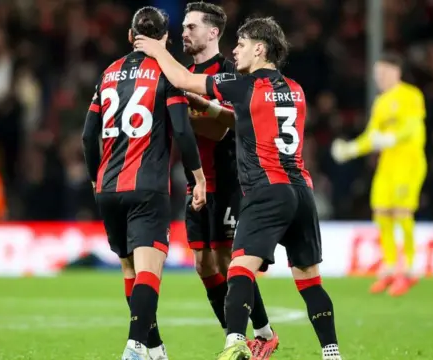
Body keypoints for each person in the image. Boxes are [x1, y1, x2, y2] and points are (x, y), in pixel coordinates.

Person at [134, 16, 342, 360]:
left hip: (267, 189)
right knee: (309, 280)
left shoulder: (242, 84)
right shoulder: (295, 89)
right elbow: (249, 119)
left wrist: (156, 49)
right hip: (302, 191)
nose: (236, 50)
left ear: (260, 49)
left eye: (242, 44)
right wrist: (211, 108)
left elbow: (183, 78)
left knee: (239, 268)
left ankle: (234, 342)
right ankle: (332, 353)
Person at [81, 6, 206, 360]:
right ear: (165, 37)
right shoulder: (166, 72)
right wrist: (198, 177)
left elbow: (88, 137)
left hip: (108, 187)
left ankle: (153, 346)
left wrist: (95, 177)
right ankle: (134, 348)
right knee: (149, 272)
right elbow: (181, 130)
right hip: (147, 186)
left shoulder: (108, 73)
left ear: (130, 37)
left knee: (130, 270)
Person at [180, 2, 277, 357]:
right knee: (203, 264)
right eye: (184, 27)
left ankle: (263, 333)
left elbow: (232, 125)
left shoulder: (229, 71)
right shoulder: (186, 72)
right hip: (196, 180)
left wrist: (187, 117)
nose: (184, 32)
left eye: (192, 27)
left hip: (229, 179)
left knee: (229, 261)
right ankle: (234, 336)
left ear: (213, 32)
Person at [330, 54, 426, 297]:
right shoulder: (381, 102)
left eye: (383, 73)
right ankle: (391, 267)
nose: (379, 78)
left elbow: (413, 126)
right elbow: (371, 137)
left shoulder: (411, 95)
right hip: (387, 164)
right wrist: (350, 149)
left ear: (396, 71)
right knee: (382, 212)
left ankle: (411, 268)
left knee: (402, 212)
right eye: (377, 75)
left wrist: (393, 138)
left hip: (409, 161)